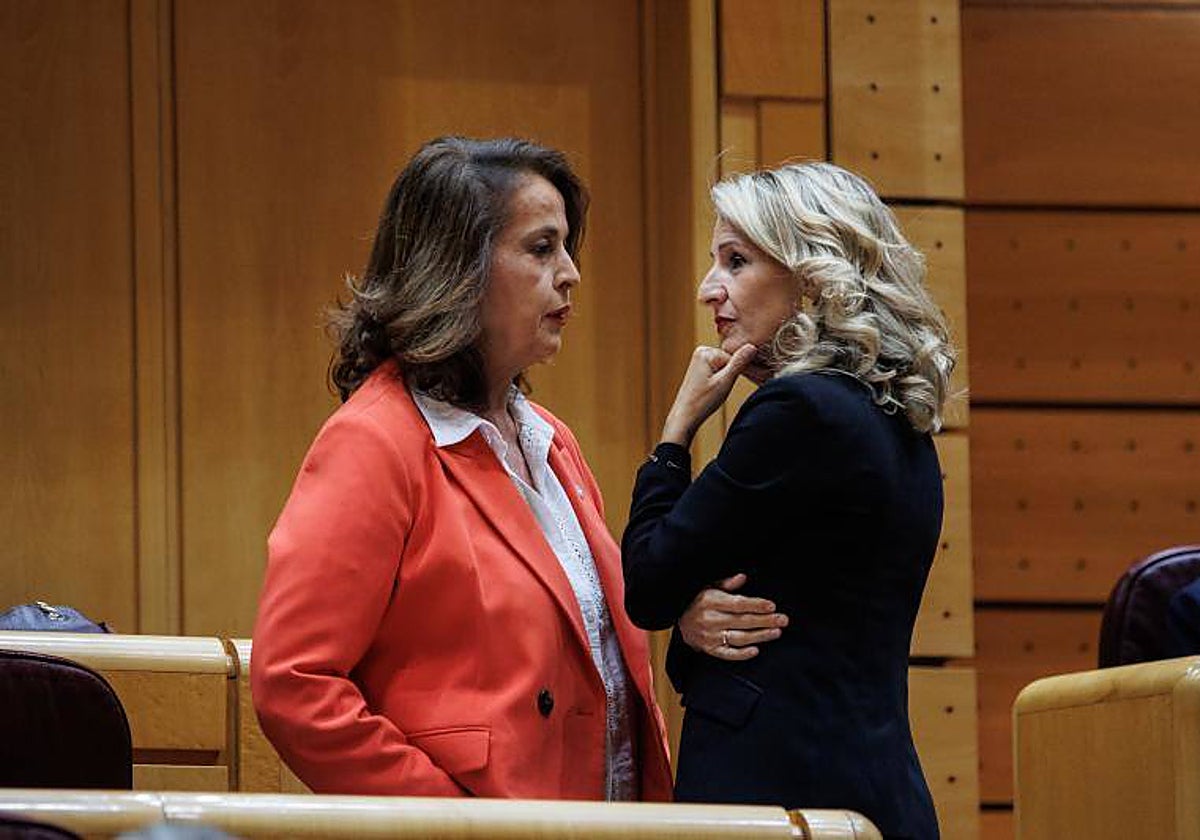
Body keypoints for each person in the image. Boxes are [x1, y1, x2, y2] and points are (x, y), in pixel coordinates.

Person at [251, 136, 673, 800]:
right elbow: (296, 684)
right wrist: (451, 822)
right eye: (541, 248)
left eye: (567, 246)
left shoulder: (552, 441)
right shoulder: (375, 442)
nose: (570, 273)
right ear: (457, 268)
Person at [622, 161, 955, 839]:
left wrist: (674, 436)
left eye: (736, 261)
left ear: (811, 277)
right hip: (872, 792)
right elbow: (808, 620)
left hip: (785, 802)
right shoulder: (894, 419)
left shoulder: (797, 410)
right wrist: (691, 625)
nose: (706, 289)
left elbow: (649, 583)